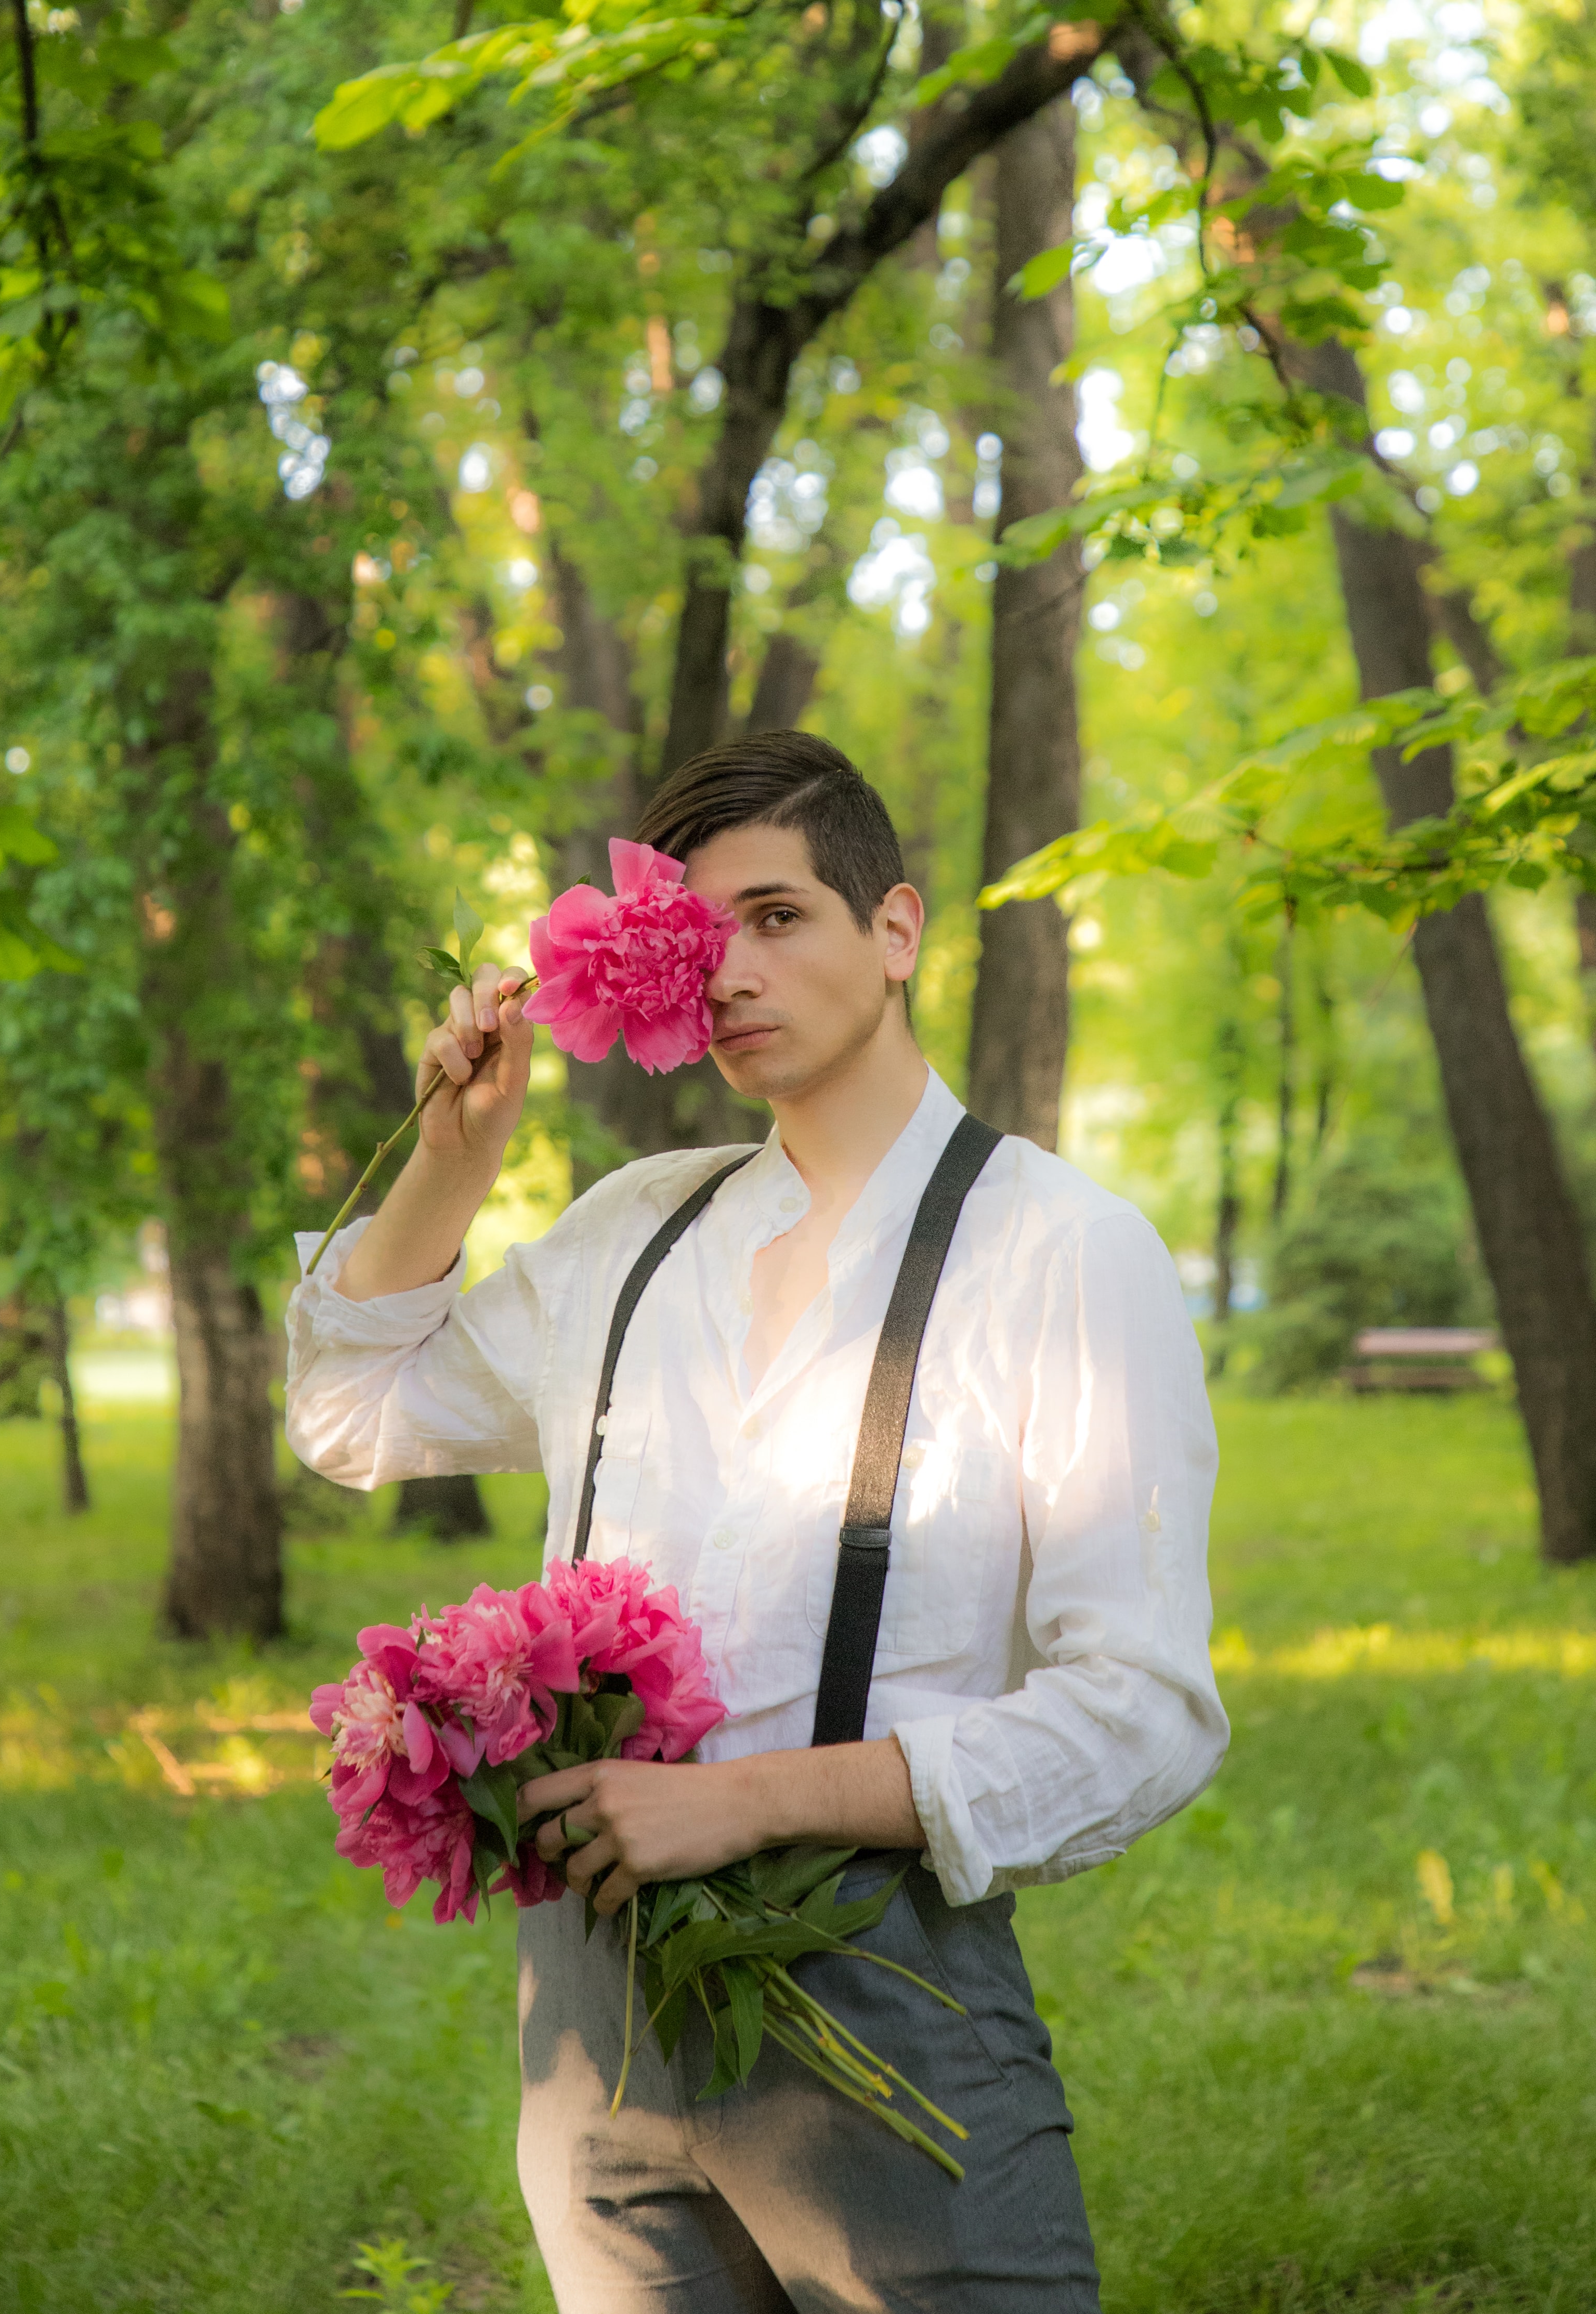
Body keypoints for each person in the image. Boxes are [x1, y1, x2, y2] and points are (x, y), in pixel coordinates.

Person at [285, 732, 1228, 2314]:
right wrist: (451, 1162)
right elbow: (350, 1416)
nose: (729, 970)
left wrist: (744, 1806)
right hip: (590, 2006)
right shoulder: (631, 1235)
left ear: (898, 930)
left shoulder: (1059, 1250)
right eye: (695, 933)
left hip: (877, 1984)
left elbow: (1141, 1715)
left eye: (778, 915)